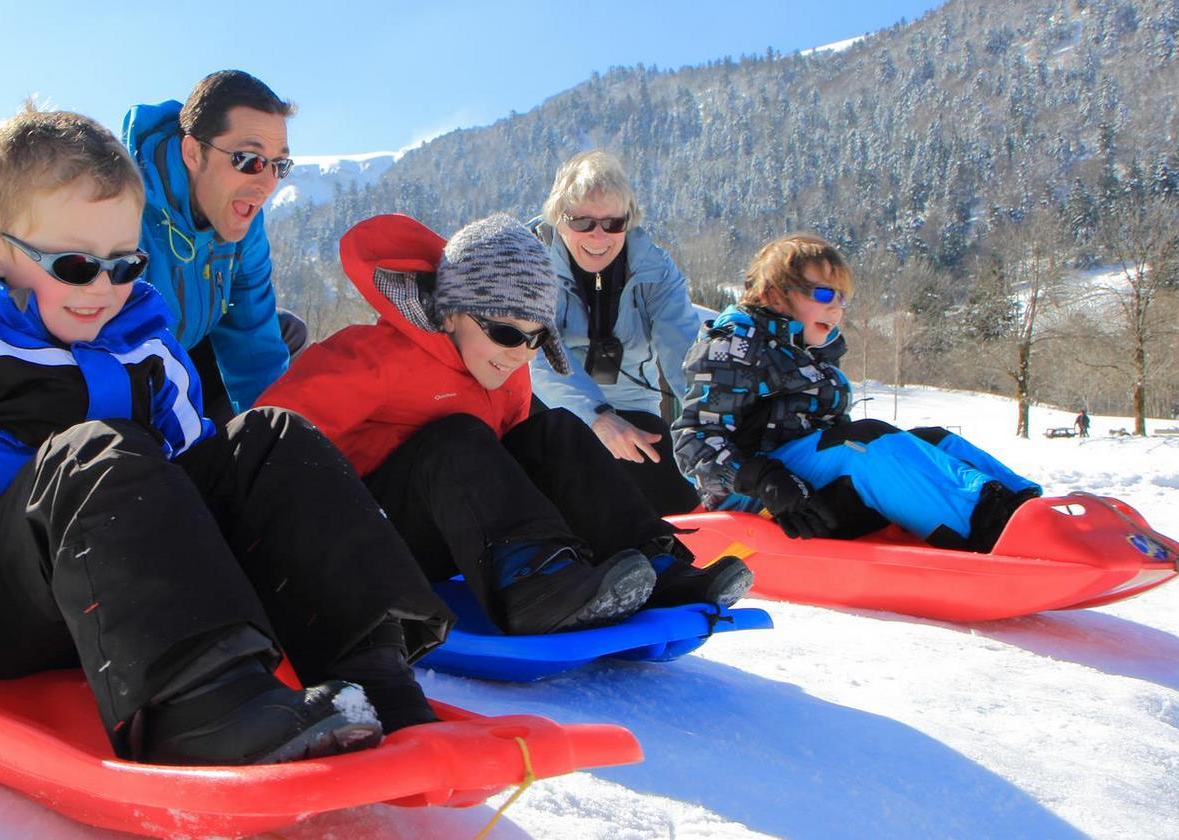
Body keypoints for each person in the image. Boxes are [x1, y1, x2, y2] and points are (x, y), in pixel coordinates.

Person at [0, 108, 450, 766]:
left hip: (139, 592)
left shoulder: (145, 343)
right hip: (1, 606)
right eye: (75, 265)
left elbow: (202, 475)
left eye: (124, 263)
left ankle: (372, 670)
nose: (103, 289)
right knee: (98, 449)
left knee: (269, 437)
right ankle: (201, 708)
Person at [258, 214, 752, 637]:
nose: (520, 353)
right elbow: (265, 441)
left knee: (551, 432)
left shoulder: (505, 372)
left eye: (536, 338)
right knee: (456, 438)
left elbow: (515, 470)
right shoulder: (370, 358)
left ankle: (652, 561)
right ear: (450, 313)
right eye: (505, 331)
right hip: (363, 541)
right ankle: (534, 584)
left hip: (453, 535)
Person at [672, 234, 1041, 552]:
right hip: (760, 496)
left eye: (842, 297)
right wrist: (765, 481)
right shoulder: (734, 345)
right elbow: (695, 440)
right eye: (822, 293)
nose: (836, 306)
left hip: (808, 484)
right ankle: (990, 528)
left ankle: (1027, 508)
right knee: (865, 441)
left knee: (935, 440)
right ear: (773, 296)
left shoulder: (808, 350)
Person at [530, 151, 704, 516]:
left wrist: (708, 422)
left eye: (613, 223)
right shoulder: (534, 268)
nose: (598, 236)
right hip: (550, 408)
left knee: (678, 497)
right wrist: (597, 417)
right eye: (582, 222)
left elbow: (684, 351)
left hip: (633, 411)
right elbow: (540, 359)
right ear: (559, 220)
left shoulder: (656, 272)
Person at [122, 71, 297, 422]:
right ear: (193, 152)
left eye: (279, 165)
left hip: (184, 356)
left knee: (286, 331)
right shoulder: (122, 208)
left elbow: (254, 343)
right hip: (123, 376)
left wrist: (278, 443)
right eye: (249, 160)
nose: (267, 184)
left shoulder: (244, 222)